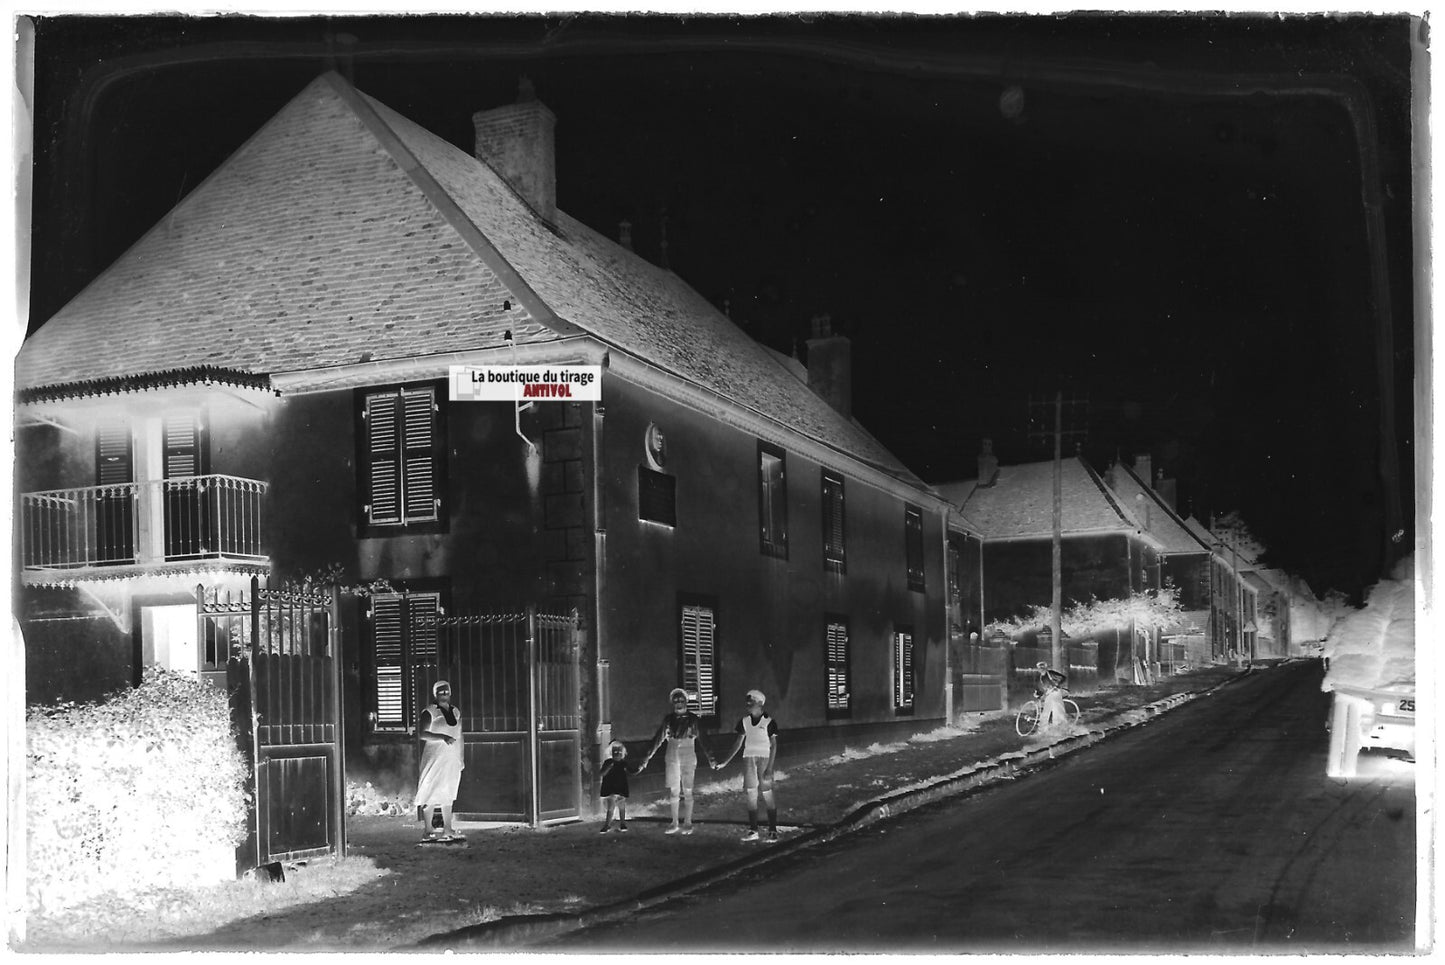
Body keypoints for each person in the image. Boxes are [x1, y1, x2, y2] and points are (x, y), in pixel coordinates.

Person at [640, 688, 716, 835]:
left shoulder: (694, 719)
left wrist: (712, 759)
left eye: (681, 700)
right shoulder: (669, 720)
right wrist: (645, 759)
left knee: (687, 789)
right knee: (674, 789)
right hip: (672, 753)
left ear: (686, 701)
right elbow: (658, 739)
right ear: (672, 703)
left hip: (688, 752)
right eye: (676, 701)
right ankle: (674, 822)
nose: (679, 703)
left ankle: (688, 822)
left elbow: (704, 740)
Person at [716, 689, 779, 842]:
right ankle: (753, 830)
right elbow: (738, 743)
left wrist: (770, 768)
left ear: (759, 703)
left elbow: (774, 745)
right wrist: (725, 761)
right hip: (748, 759)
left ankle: (772, 830)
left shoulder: (769, 722)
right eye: (747, 701)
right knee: (751, 794)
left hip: (763, 759)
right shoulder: (744, 722)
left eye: (750, 701)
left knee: (767, 793)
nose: (747, 704)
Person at [415, 679, 465, 842]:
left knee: (448, 791)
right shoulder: (429, 712)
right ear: (435, 694)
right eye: (440, 692)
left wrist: (460, 757)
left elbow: (459, 735)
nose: (444, 695)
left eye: (446, 691)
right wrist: (442, 737)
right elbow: (422, 733)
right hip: (434, 757)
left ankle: (447, 828)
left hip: (451, 758)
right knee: (431, 790)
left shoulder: (455, 712)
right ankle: (428, 829)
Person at [598, 740, 634, 833]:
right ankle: (607, 824)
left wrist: (640, 767)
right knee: (611, 807)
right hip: (611, 789)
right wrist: (608, 768)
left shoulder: (623, 763)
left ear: (622, 753)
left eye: (619, 752)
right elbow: (602, 773)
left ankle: (623, 823)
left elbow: (631, 771)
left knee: (622, 806)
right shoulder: (608, 762)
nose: (617, 754)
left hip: (621, 788)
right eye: (615, 752)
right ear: (611, 753)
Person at [1034, 661, 1070, 731]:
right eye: (1039, 668)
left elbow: (1063, 678)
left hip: (1055, 692)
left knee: (1057, 709)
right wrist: (1037, 694)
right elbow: (1039, 688)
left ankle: (1060, 727)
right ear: (1038, 669)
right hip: (1049, 694)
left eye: (1042, 667)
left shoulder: (1051, 673)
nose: (1041, 669)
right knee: (1046, 711)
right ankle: (1042, 729)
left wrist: (1057, 685)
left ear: (1045, 668)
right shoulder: (1040, 678)